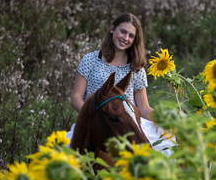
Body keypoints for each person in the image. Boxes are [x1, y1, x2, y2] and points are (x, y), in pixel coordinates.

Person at [66, 12, 174, 155]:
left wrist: (166, 120)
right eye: (123, 32)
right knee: (63, 156)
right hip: (93, 124)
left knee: (164, 150)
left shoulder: (136, 68)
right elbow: (76, 97)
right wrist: (93, 118)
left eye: (131, 36)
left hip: (127, 126)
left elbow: (143, 107)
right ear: (112, 29)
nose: (125, 38)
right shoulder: (90, 60)